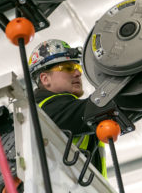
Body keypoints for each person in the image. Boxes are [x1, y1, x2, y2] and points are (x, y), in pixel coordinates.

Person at [29, 39, 107, 178]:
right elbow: (101, 108)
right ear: (45, 79)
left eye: (78, 68)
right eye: (68, 68)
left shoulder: (69, 109)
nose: (78, 74)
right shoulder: (45, 110)